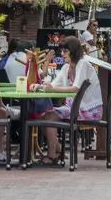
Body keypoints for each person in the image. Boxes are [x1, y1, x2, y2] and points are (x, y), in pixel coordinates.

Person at [30, 36, 102, 166]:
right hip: (74, 108)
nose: (62, 54)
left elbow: (75, 89)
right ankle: (57, 150)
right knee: (43, 116)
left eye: (65, 51)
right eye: (62, 51)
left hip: (90, 110)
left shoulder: (83, 63)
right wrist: (40, 86)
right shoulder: (65, 68)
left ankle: (53, 154)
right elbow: (53, 85)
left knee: (49, 116)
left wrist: (51, 88)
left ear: (73, 51)